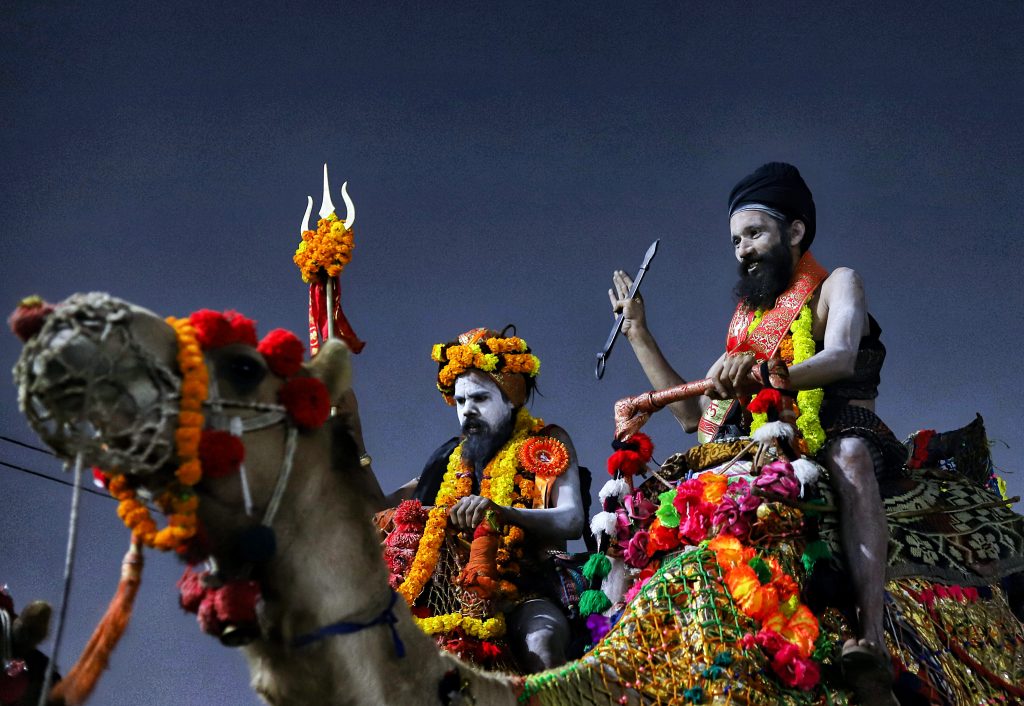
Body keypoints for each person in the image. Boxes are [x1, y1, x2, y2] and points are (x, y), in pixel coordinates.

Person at [610, 162, 903, 705]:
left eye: (754, 234)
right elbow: (695, 418)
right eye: (735, 240)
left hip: (836, 427)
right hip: (763, 442)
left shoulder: (839, 282)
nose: (742, 249)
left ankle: (871, 636)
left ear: (795, 231)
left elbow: (839, 357)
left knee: (853, 456)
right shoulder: (746, 321)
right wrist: (638, 334)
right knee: (657, 507)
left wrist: (766, 371)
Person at [377, 327, 586, 673]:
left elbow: (571, 519)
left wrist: (502, 512)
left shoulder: (544, 442)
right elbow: (379, 508)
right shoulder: (449, 457)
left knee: (542, 643)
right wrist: (347, 441)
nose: (467, 411)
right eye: (460, 402)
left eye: (480, 399)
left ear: (511, 396)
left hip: (527, 591)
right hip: (447, 596)